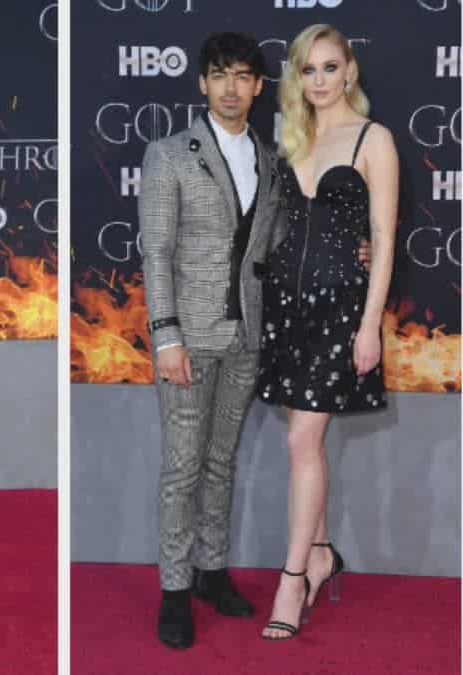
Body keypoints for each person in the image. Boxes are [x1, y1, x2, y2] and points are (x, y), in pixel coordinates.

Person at [255, 23, 396, 641]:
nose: (319, 80)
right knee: (303, 444)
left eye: (329, 68)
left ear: (349, 72)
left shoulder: (374, 139)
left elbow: (383, 240)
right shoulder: (294, 136)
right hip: (287, 306)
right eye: (307, 69)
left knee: (300, 442)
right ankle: (319, 554)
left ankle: (291, 580)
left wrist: (370, 326)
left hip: (341, 310)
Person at [139, 32, 280, 650]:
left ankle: (211, 571)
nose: (230, 87)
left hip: (246, 338)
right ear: (202, 83)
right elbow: (156, 252)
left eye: (242, 76)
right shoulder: (168, 154)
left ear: (258, 87)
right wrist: (165, 337)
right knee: (182, 467)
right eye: (220, 74)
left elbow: (274, 249)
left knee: (222, 461)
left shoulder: (271, 160)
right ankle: (174, 589)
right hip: (187, 341)